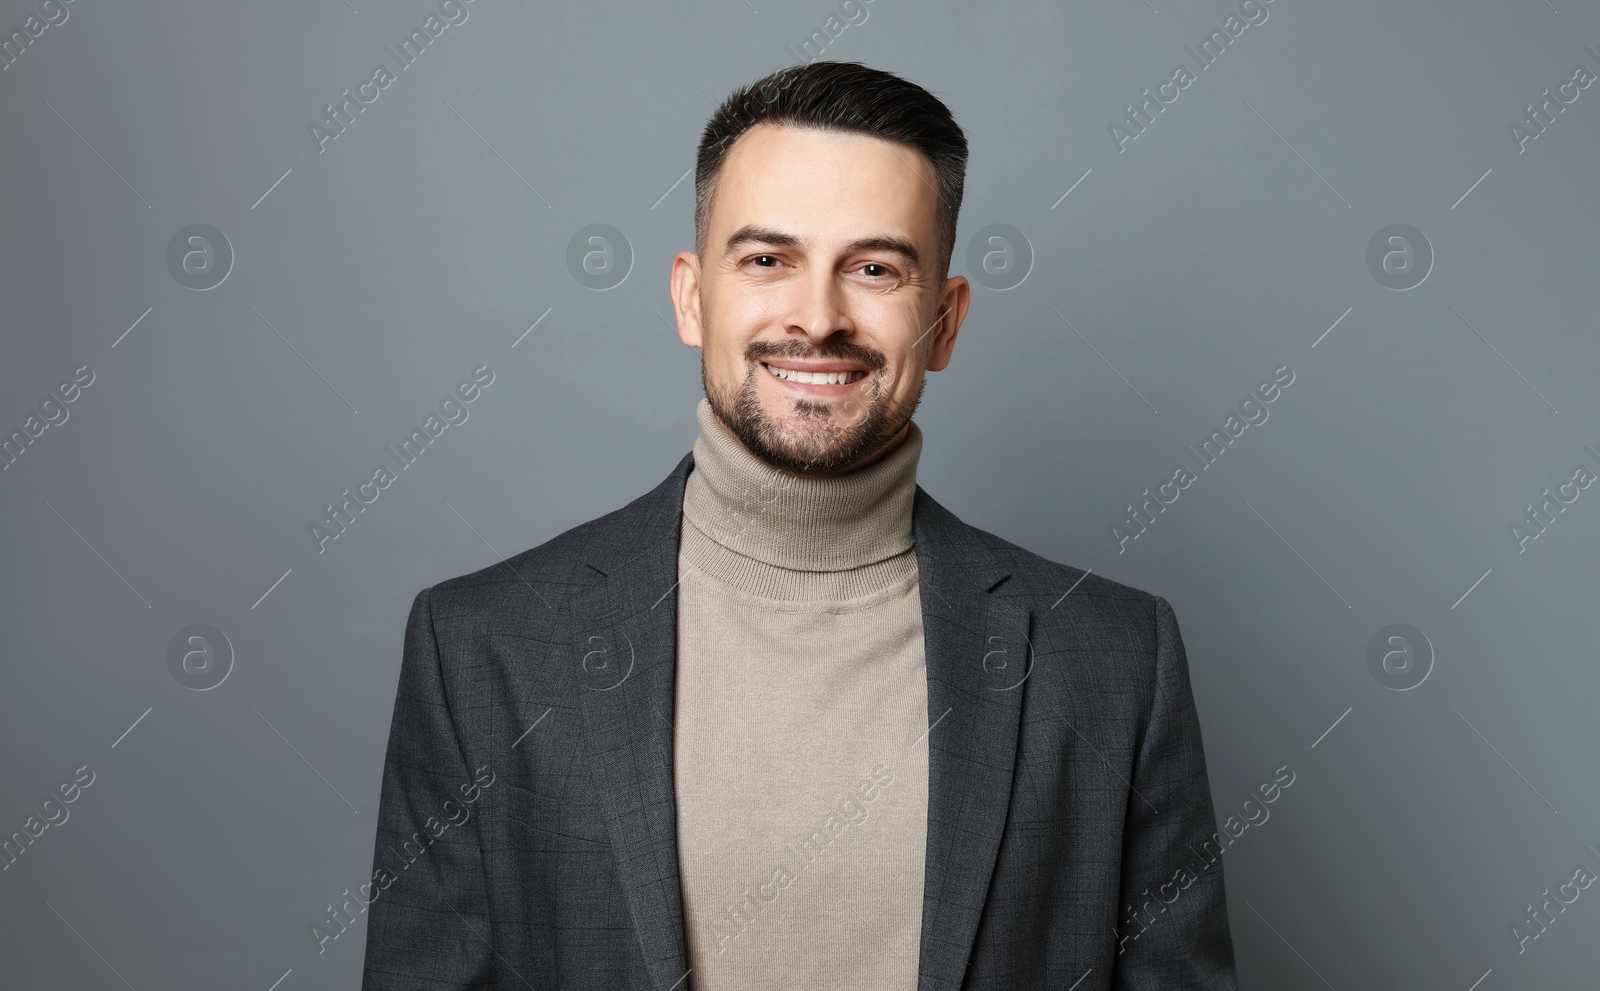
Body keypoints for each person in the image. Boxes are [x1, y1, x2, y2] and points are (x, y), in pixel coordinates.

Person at [360, 61, 1238, 990]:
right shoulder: (481, 650)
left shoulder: (1114, 663)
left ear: (943, 323)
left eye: (873, 268)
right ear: (692, 298)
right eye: (768, 260)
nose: (818, 319)